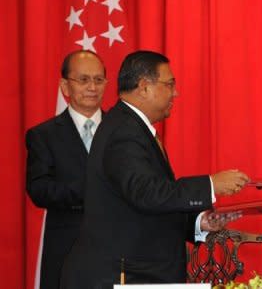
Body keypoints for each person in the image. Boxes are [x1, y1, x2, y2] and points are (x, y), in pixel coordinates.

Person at [60, 50, 249, 288]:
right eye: (170, 84)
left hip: (134, 273)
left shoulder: (130, 125)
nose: (176, 93)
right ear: (144, 87)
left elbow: (143, 206)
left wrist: (200, 222)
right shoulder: (124, 131)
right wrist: (211, 184)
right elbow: (147, 193)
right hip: (121, 277)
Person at [26, 50, 107, 289]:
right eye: (83, 80)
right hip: (66, 252)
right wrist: (91, 189)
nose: (92, 87)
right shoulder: (44, 135)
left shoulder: (124, 132)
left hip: (117, 253)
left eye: (99, 79)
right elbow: (39, 189)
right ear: (65, 86)